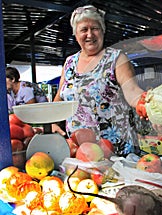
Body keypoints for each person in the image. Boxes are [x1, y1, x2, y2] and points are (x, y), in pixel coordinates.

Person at [52, 5, 145, 156]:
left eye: (95, 28)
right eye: (84, 30)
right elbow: (60, 98)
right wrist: (52, 123)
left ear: (103, 31)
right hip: (81, 152)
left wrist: (149, 104)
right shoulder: (69, 63)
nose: (90, 34)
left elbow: (132, 91)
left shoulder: (116, 58)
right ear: (76, 34)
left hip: (116, 152)